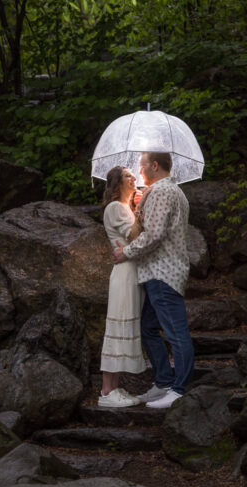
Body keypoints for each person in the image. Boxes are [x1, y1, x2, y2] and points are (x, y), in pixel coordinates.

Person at [114, 151, 194, 409]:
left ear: (155, 166)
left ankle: (179, 390)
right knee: (148, 328)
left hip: (163, 272)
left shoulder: (161, 192)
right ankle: (163, 382)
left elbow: (155, 234)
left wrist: (125, 252)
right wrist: (141, 206)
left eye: (142, 164)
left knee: (176, 333)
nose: (139, 170)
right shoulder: (170, 191)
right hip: (159, 272)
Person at [97, 165, 147, 408]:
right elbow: (136, 237)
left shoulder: (126, 208)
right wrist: (143, 209)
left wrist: (137, 208)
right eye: (128, 175)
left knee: (124, 327)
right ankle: (107, 391)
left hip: (131, 271)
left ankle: (115, 387)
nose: (134, 177)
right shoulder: (116, 208)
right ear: (117, 184)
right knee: (117, 327)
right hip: (124, 275)